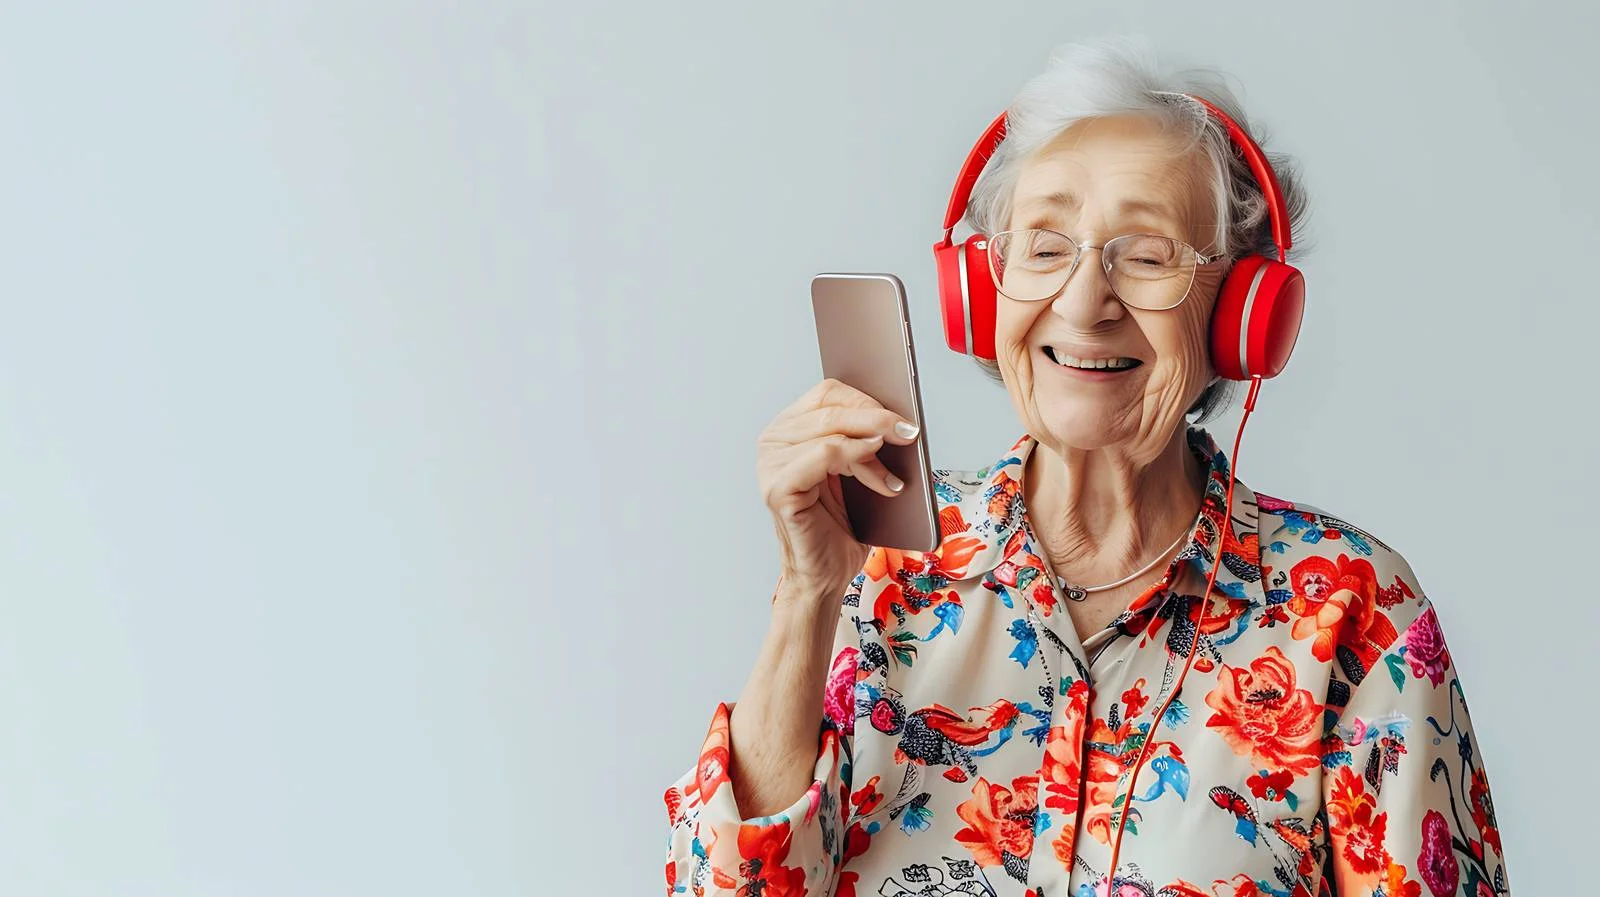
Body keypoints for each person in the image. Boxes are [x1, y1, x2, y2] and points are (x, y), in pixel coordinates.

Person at [663, 39, 1508, 897]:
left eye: (1146, 254)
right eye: (1042, 247)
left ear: (1244, 314)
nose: (1081, 302)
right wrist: (809, 591)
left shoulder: (1355, 612)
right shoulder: (878, 566)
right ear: (982, 292)